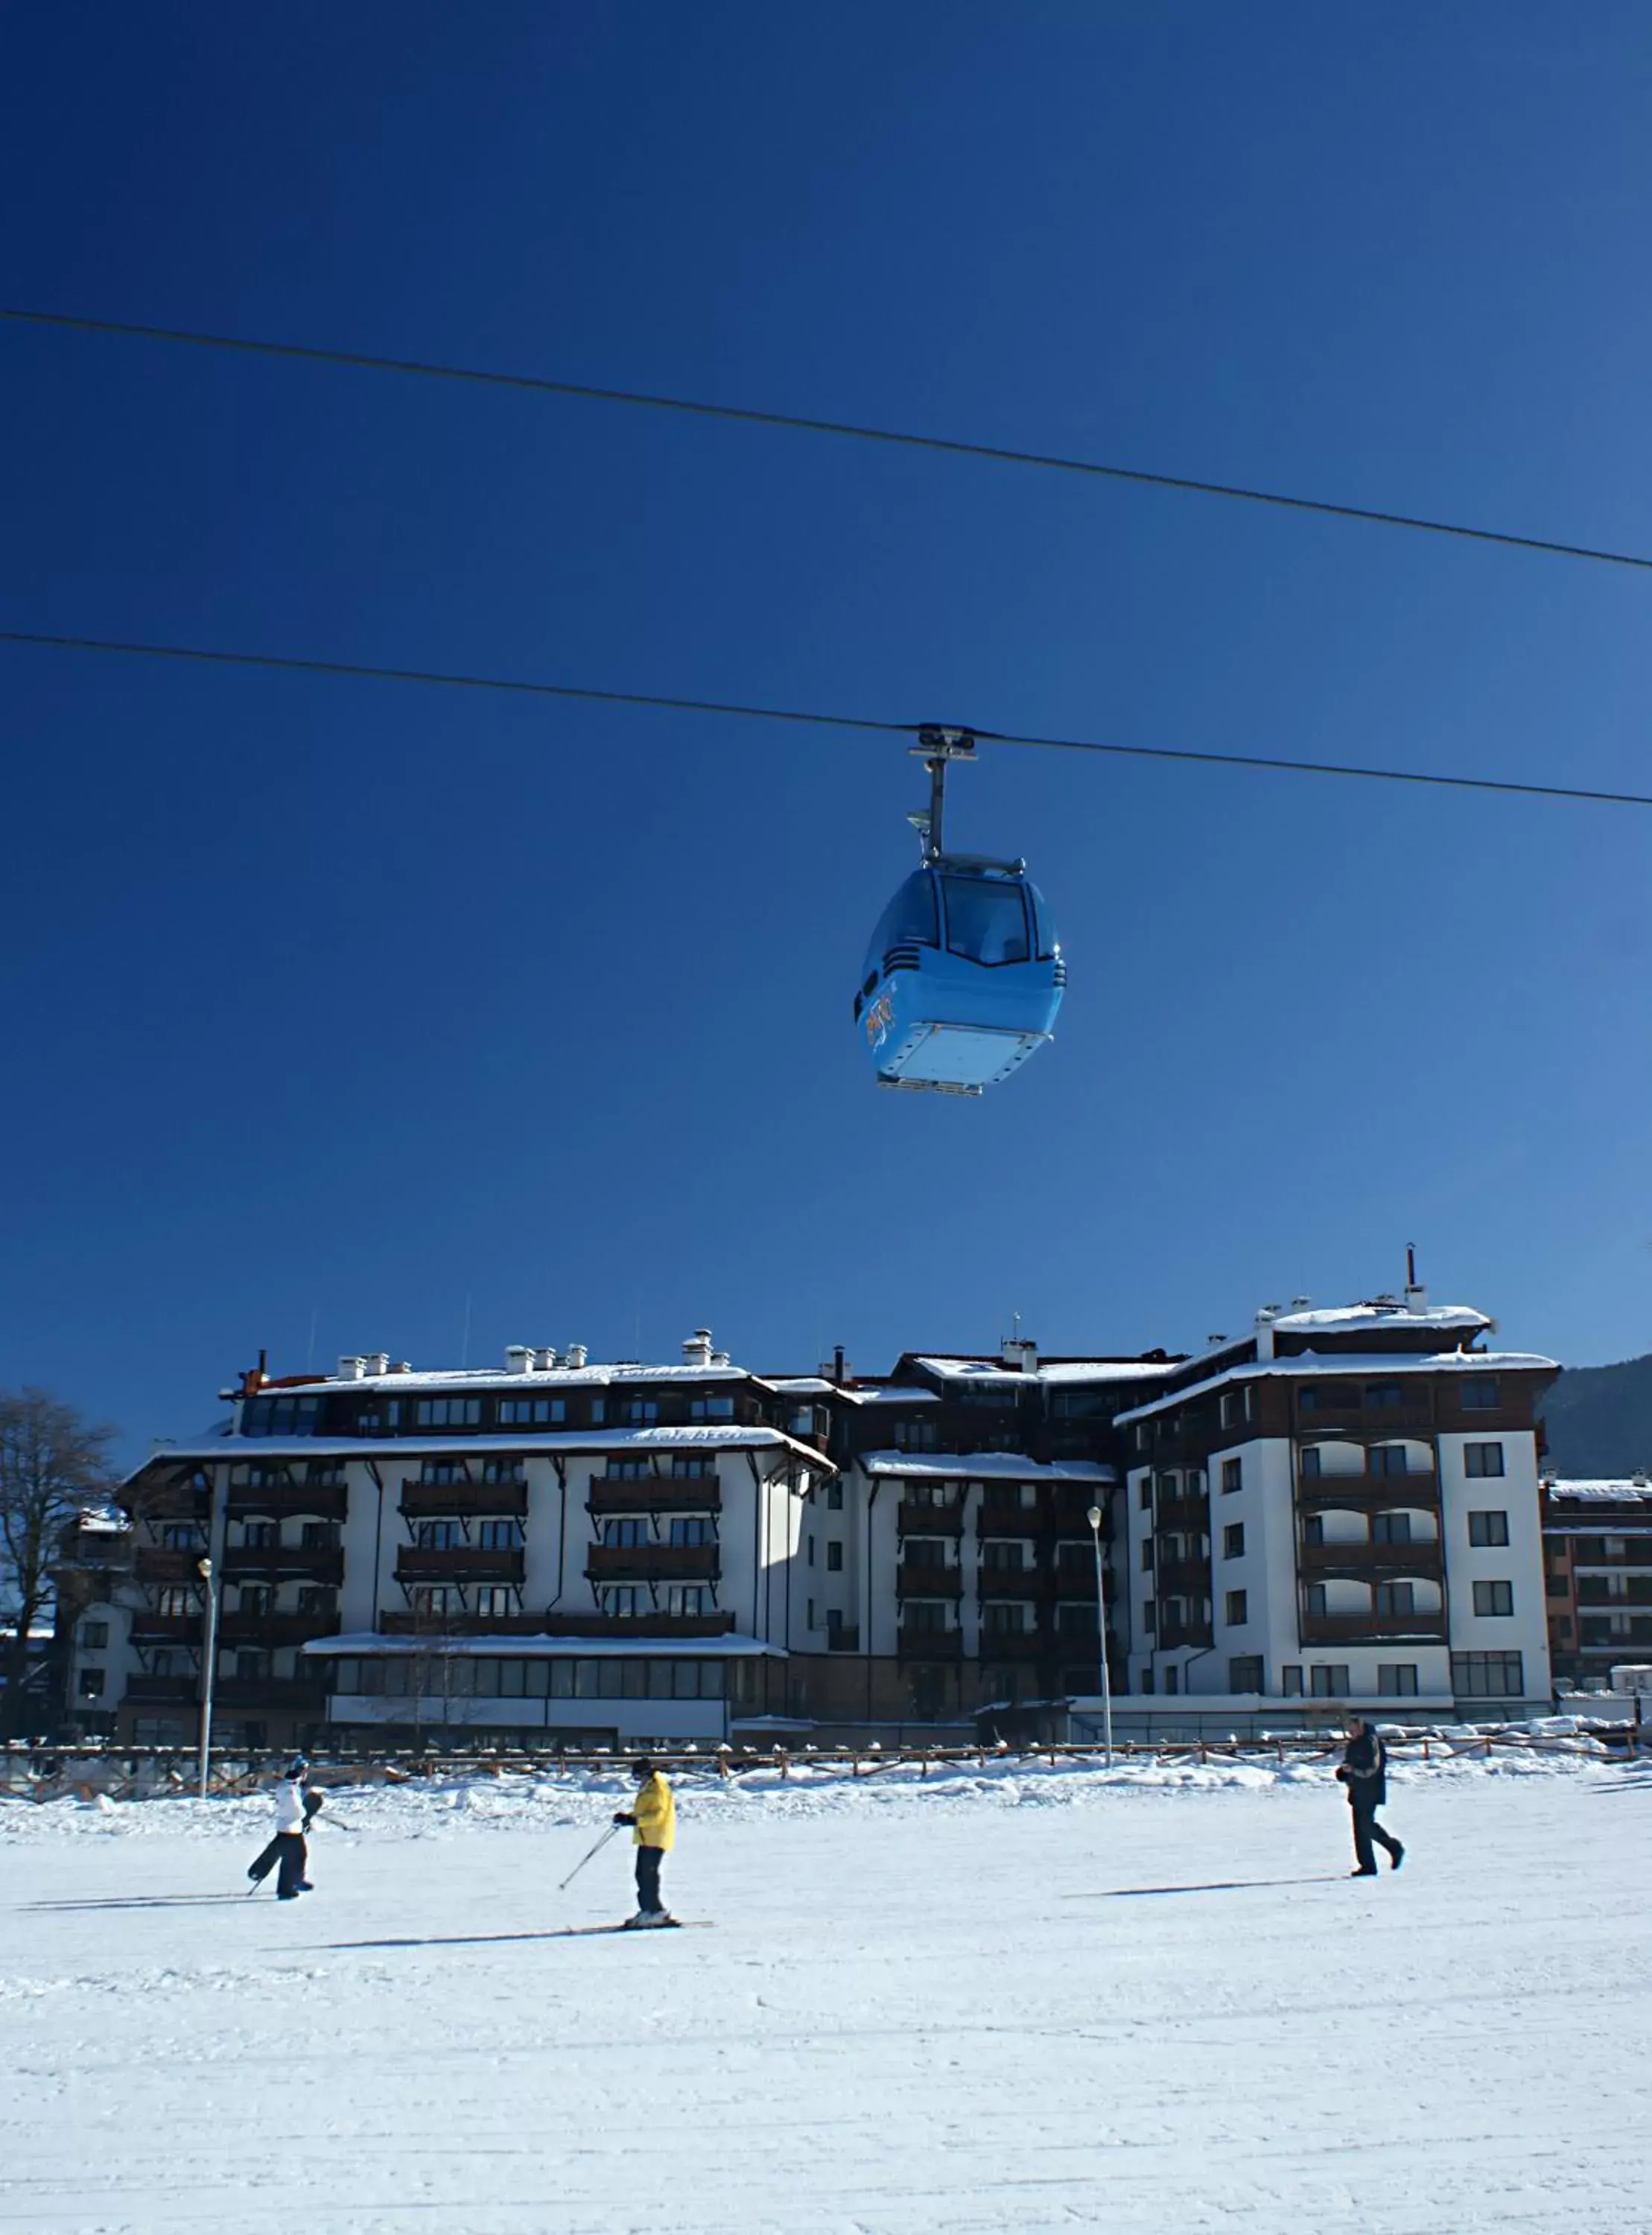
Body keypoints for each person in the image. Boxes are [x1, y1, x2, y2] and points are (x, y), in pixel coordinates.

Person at [1336, 1714, 1404, 1877]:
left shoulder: (1371, 1741)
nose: (1351, 1733)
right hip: (1357, 1791)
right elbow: (1351, 1763)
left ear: (1360, 1727)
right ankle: (1368, 1866)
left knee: (1366, 1825)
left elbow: (1373, 1768)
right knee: (1359, 1830)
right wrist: (1344, 1773)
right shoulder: (1353, 1744)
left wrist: (1354, 1771)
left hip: (1371, 1790)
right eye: (1349, 1731)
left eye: (1352, 1730)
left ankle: (1394, 1847)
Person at [612, 1757, 676, 1925]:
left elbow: (657, 1816)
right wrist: (628, 1818)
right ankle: (647, 1909)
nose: (637, 1779)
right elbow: (644, 1811)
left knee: (648, 1875)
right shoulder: (648, 1786)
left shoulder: (658, 1788)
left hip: (656, 1837)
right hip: (647, 1837)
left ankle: (655, 1911)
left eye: (638, 1776)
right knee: (641, 1875)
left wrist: (635, 1821)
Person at [247, 1756, 322, 1899]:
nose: (305, 1774)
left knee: (296, 1855)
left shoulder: (293, 1786)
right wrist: (304, 1816)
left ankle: (292, 1881)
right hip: (289, 1828)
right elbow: (295, 1810)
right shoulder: (290, 1789)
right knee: (292, 1858)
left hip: (292, 1827)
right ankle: (285, 1888)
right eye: (303, 1771)